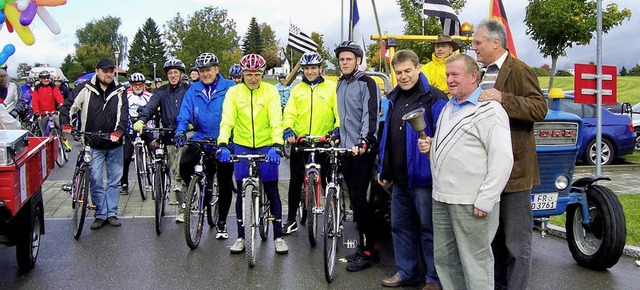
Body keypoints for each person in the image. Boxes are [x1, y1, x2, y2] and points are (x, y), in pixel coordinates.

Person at [421, 54, 513, 290]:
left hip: (471, 202)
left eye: (455, 75)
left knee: (475, 264)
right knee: (446, 262)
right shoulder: (448, 108)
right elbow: (452, 149)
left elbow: (502, 159)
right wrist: (431, 148)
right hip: (442, 198)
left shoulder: (490, 110)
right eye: (447, 75)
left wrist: (486, 199)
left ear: (473, 76)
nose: (449, 80)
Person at [471, 19, 548, 290]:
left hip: (514, 174)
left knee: (516, 244)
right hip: (487, 172)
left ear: (496, 42)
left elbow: (539, 109)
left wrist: (503, 98)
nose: (473, 47)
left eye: (477, 42)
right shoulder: (480, 72)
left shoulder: (519, 70)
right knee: (494, 242)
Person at [377, 49, 446, 289]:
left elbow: (445, 138)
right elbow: (388, 136)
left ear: (418, 68)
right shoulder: (393, 98)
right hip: (399, 179)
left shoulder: (435, 98)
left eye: (408, 70)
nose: (404, 76)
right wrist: (384, 170)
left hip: (424, 179)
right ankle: (407, 271)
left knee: (429, 230)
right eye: (399, 72)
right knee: (400, 227)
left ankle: (434, 278)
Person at [217, 53, 288, 254]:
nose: (253, 78)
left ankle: (278, 237)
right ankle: (241, 236)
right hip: (242, 145)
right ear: (243, 74)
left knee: (272, 189)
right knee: (241, 190)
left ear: (263, 73)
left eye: (257, 74)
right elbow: (227, 120)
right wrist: (223, 143)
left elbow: (276, 119)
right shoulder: (234, 93)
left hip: (267, 145)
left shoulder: (271, 92)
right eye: (249, 74)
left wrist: (276, 144)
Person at [60, 57, 128, 229]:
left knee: (114, 180)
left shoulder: (120, 90)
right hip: (93, 143)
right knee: (96, 179)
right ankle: (100, 213)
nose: (108, 74)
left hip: (114, 143)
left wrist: (118, 132)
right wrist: (66, 123)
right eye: (105, 71)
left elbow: (123, 114)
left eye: (111, 71)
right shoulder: (84, 88)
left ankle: (111, 213)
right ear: (97, 71)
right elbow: (68, 107)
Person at [174, 52, 235, 238]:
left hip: (224, 139)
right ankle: (198, 189)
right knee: (184, 164)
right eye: (201, 71)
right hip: (201, 136)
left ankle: (222, 222)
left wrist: (229, 139)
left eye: (208, 70)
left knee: (224, 181)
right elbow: (185, 112)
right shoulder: (193, 89)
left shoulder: (230, 87)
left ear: (216, 69)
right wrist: (180, 131)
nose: (205, 74)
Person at [333, 40, 380, 272]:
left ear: (358, 60)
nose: (344, 62)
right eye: (342, 59)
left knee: (360, 198)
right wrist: (335, 133)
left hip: (361, 150)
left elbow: (370, 116)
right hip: (345, 149)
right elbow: (342, 117)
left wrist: (365, 141)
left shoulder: (367, 83)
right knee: (354, 197)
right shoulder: (340, 84)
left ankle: (368, 249)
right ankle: (366, 245)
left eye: (349, 59)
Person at [281, 52, 339, 235]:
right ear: (303, 71)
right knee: (295, 181)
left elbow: (338, 112)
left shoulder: (331, 88)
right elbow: (289, 112)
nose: (310, 71)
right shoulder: (297, 90)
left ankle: (333, 219)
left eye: (314, 68)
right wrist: (288, 128)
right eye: (307, 68)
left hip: (324, 140)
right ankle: (291, 220)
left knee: (329, 181)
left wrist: (337, 129)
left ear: (320, 68)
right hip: (301, 140)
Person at [134, 59, 190, 222]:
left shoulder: (188, 90)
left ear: (181, 74)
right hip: (168, 136)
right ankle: (179, 205)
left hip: (186, 135)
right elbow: (151, 106)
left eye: (175, 72)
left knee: (181, 172)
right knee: (174, 171)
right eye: (170, 73)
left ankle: (187, 204)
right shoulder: (161, 92)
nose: (172, 75)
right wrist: (142, 119)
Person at [120, 72, 153, 195]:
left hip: (145, 127)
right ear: (131, 86)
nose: (138, 87)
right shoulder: (125, 97)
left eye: (140, 85)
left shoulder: (149, 96)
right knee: (125, 157)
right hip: (130, 129)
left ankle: (153, 177)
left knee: (154, 150)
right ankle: (124, 183)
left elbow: (155, 110)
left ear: (144, 85)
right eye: (135, 85)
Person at [32, 70, 65, 137]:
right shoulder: (37, 88)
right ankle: (46, 146)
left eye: (47, 78)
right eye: (44, 78)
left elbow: (58, 96)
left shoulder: (53, 86)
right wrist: (36, 112)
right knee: (43, 133)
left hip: (53, 112)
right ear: (40, 79)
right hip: (42, 114)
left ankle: (65, 143)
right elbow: (35, 101)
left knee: (61, 127)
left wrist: (61, 105)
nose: (46, 79)